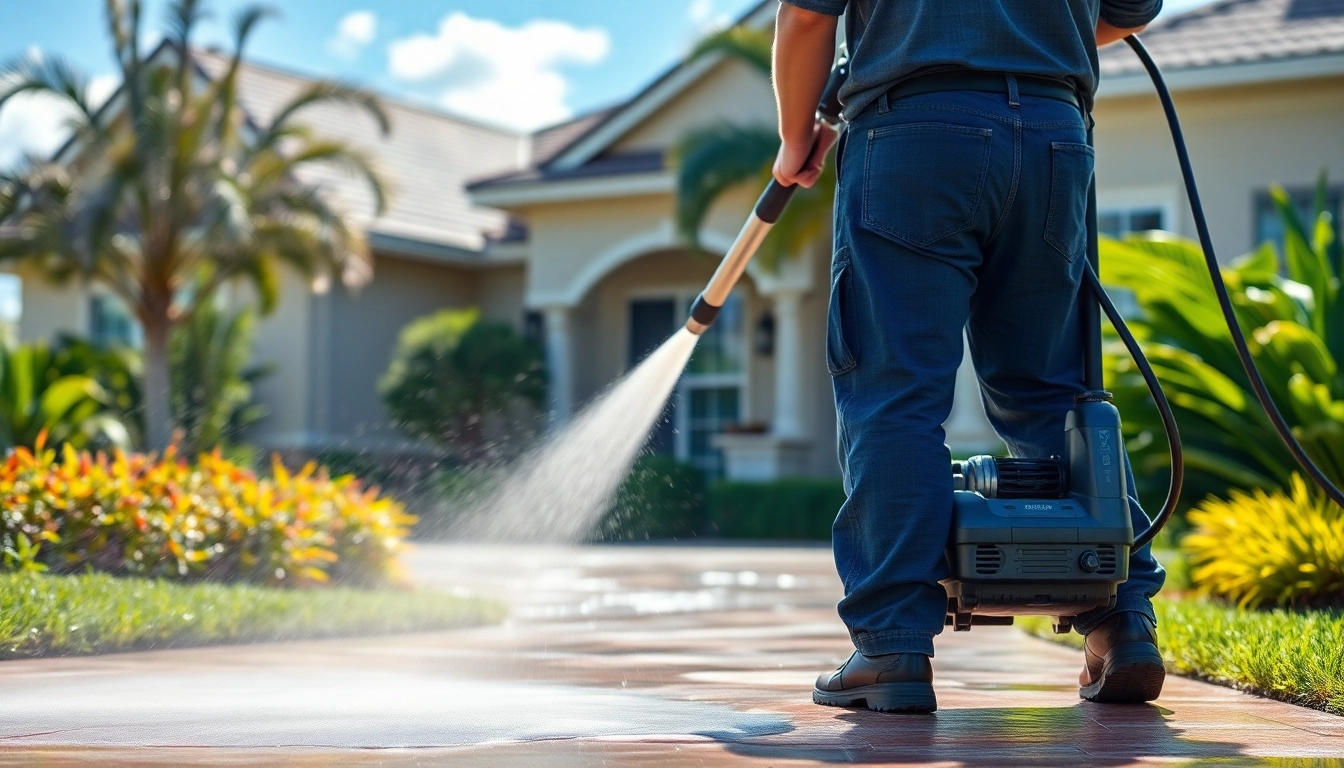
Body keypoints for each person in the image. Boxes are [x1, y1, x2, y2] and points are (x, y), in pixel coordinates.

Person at [769, 0, 1167, 713]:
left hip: (912, 133)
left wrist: (797, 136)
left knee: (894, 393)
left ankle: (891, 646)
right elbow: (1127, 12)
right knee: (1054, 391)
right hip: (1053, 136)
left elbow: (804, 16)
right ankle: (1123, 622)